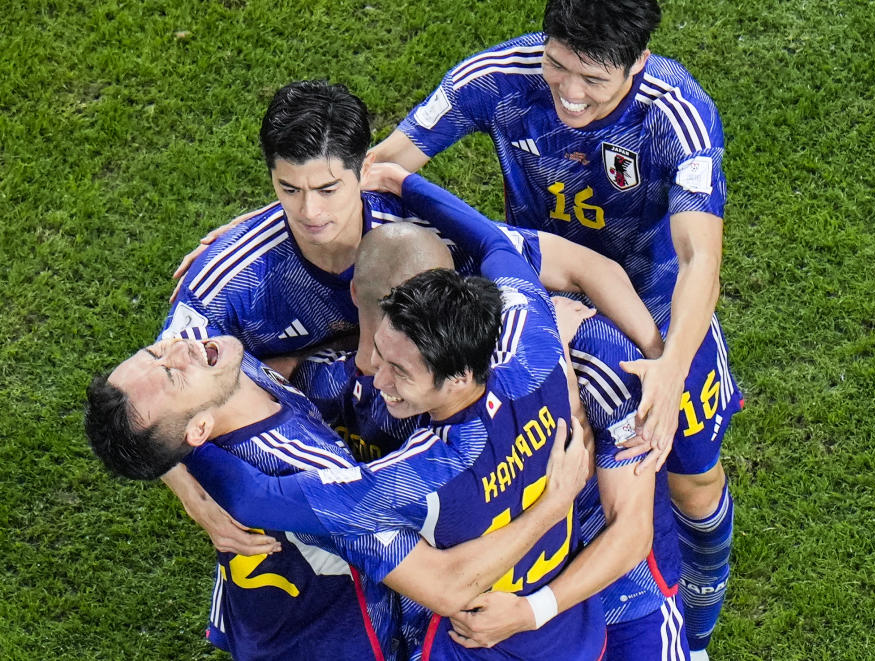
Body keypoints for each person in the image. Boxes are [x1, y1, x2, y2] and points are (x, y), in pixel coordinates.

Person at [370, 1, 741, 654]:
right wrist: (262, 224)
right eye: (556, 66)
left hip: (657, 334)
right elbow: (382, 167)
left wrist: (670, 364)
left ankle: (697, 631)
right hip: (547, 309)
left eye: (592, 80)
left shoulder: (675, 112)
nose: (568, 93)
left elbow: (697, 257)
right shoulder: (495, 76)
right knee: (541, 469)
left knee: (692, 484)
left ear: (638, 65)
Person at [163, 79, 664, 557]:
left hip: (431, 393)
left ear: (363, 170)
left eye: (328, 188)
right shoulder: (228, 279)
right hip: (333, 404)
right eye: (288, 189)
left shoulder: (417, 234)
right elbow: (148, 392)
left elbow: (587, 267)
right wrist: (191, 488)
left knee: (591, 346)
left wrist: (661, 362)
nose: (310, 211)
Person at [180, 174, 609, 659]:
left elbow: (257, 496)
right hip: (572, 636)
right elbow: (492, 241)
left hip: (471, 643)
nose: (377, 380)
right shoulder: (535, 344)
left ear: (459, 379)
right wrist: (402, 180)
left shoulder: (423, 473)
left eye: (400, 372)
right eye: (382, 354)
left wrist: (180, 443)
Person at [85, 333, 588, 660]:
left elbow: (148, 435)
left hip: (265, 612)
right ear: (198, 428)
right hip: (328, 641)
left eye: (153, 351)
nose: (179, 346)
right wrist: (553, 503)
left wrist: (177, 473)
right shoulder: (309, 479)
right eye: (173, 373)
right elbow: (446, 586)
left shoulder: (217, 380)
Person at [449, 303, 688, 659]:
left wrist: (533, 611)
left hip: (622, 585)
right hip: (517, 608)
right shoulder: (436, 382)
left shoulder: (600, 357)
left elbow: (631, 533)